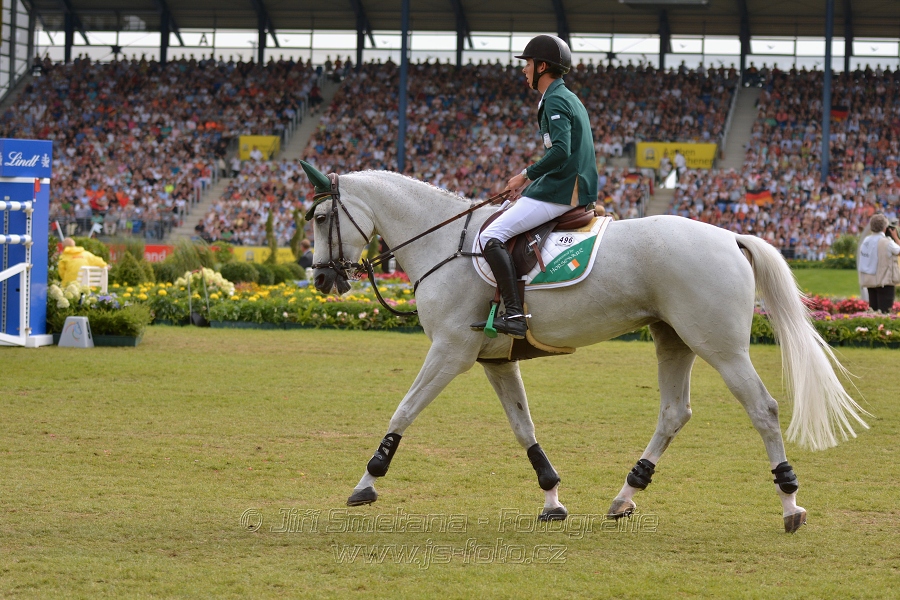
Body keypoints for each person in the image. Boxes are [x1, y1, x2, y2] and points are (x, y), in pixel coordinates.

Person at [470, 34, 598, 339]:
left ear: (542, 66)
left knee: (490, 236)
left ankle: (514, 314)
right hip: (565, 184)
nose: (523, 70)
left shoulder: (555, 99)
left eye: (527, 63)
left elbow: (561, 151)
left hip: (565, 190)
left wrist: (525, 175)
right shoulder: (563, 96)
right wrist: (526, 186)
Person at [858, 214, 900, 313]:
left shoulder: (866, 241)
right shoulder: (887, 242)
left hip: (870, 280)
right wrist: (895, 237)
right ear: (884, 227)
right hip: (884, 281)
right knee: (885, 312)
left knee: (873, 311)